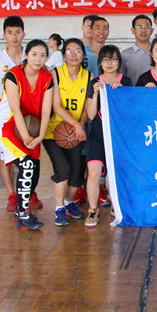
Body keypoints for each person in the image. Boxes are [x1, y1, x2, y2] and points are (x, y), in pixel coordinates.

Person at [0, 39, 54, 231]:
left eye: (42, 55)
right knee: (26, 164)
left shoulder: (47, 78)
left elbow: (46, 110)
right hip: (7, 126)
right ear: (26, 55)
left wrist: (40, 135)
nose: (38, 59)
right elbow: (15, 109)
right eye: (34, 54)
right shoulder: (13, 75)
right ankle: (22, 213)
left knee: (34, 168)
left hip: (31, 126)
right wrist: (26, 137)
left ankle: (22, 208)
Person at [0, 16, 42, 212]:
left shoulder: (30, 56)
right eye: (10, 32)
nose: (14, 36)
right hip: (6, 116)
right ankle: (12, 194)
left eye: (18, 32)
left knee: (30, 154)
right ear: (4, 35)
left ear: (23, 34)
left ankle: (29, 191)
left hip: (28, 115)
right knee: (7, 157)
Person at [84, 45, 134, 227]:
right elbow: (90, 115)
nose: (110, 63)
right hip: (98, 135)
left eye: (113, 59)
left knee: (118, 173)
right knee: (93, 172)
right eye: (105, 59)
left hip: (118, 136)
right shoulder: (94, 83)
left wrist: (122, 93)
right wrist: (96, 93)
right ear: (100, 63)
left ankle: (117, 206)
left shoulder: (126, 81)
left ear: (119, 62)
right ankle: (92, 210)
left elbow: (131, 111)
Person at [43, 38, 90, 226]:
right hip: (53, 131)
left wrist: (80, 125)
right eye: (69, 51)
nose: (74, 55)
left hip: (75, 133)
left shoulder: (88, 76)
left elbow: (86, 109)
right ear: (64, 55)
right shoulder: (55, 74)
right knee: (63, 170)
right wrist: (76, 125)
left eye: (78, 51)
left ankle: (69, 202)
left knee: (77, 175)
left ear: (83, 55)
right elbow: (56, 106)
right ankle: (59, 208)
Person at [121, 14, 154, 84]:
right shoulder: (125, 54)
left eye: (147, 27)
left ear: (151, 31)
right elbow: (121, 78)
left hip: (155, 90)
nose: (143, 30)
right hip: (133, 90)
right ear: (133, 30)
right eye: (139, 27)